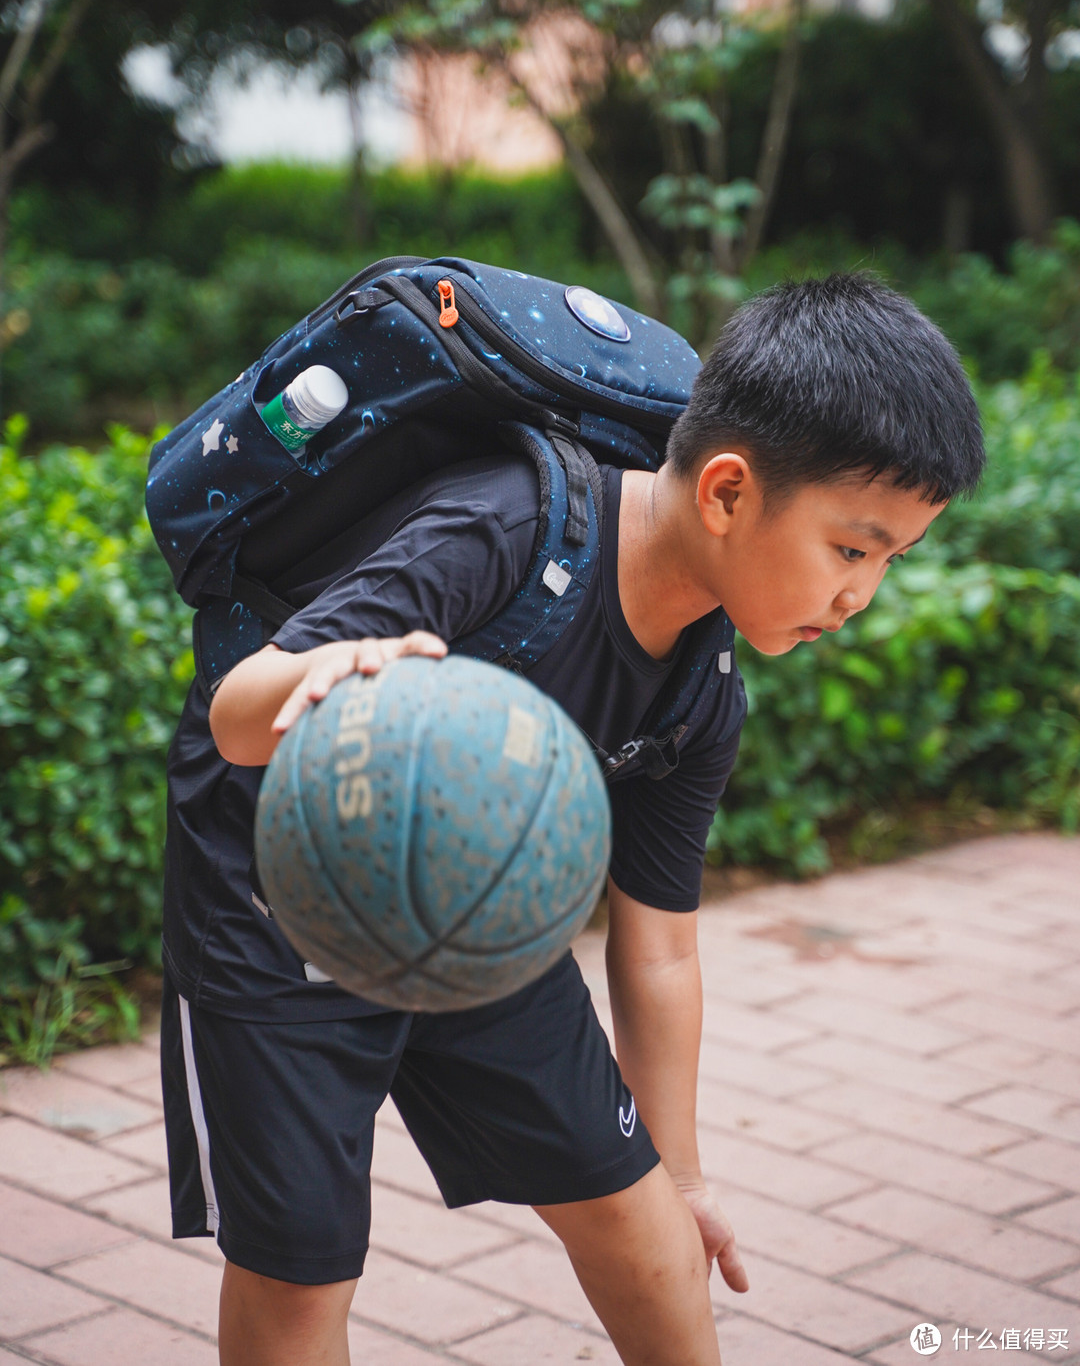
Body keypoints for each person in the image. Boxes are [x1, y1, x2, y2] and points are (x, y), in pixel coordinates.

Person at [161, 272, 985, 1366]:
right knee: (301, 1262)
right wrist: (335, 673)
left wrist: (681, 1175)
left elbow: (661, 952)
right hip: (277, 887)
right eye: (852, 548)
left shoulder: (701, 694)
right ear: (729, 493)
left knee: (640, 1220)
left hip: (475, 894)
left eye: (890, 559)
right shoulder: (503, 528)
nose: (862, 594)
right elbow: (235, 714)